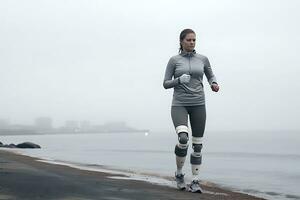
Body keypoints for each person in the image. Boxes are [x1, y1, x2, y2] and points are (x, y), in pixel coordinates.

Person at [163, 29, 219, 193]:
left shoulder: (202, 59)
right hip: (179, 104)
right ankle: (179, 174)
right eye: (189, 40)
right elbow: (166, 83)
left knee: (197, 146)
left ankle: (195, 181)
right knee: (183, 139)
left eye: (194, 40)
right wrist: (179, 80)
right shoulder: (174, 60)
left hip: (198, 104)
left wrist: (213, 84)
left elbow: (211, 75)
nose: (192, 42)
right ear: (181, 41)